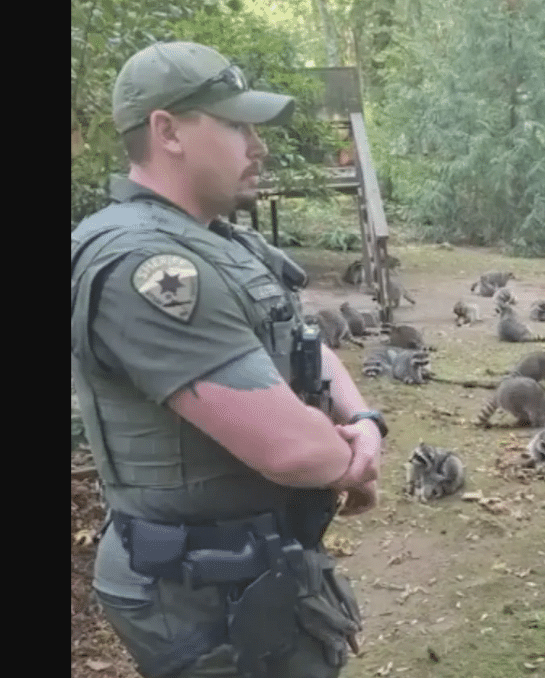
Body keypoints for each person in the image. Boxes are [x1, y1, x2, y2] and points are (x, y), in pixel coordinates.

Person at [70, 41, 384, 678]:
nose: (258, 145)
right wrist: (350, 459)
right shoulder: (147, 267)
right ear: (168, 131)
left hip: (253, 566)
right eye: (238, 125)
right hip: (195, 591)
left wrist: (364, 419)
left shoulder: (220, 242)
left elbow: (308, 346)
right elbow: (292, 451)